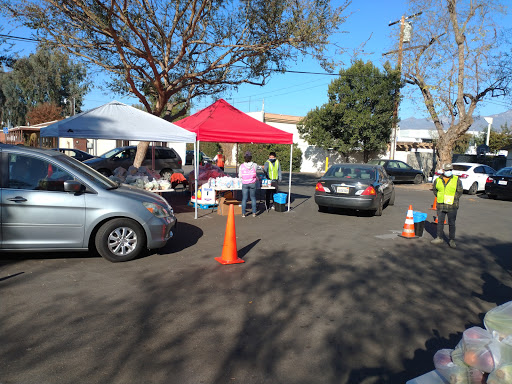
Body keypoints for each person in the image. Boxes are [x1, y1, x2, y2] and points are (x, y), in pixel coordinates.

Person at [431, 163, 463, 248]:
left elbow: (459, 192)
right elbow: (435, 190)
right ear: (443, 170)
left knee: (451, 223)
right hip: (441, 205)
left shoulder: (456, 180)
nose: (449, 172)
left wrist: (452, 198)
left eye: (450, 170)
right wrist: (441, 197)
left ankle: (451, 240)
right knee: (440, 222)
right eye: (447, 170)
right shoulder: (437, 180)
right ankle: (439, 237)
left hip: (452, 205)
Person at [239, 151, 258, 217]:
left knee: (244, 198)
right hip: (253, 183)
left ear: (244, 158)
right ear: (251, 157)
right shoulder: (255, 165)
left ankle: (243, 213)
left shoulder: (241, 166)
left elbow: (240, 176)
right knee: (253, 198)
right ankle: (254, 213)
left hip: (245, 183)